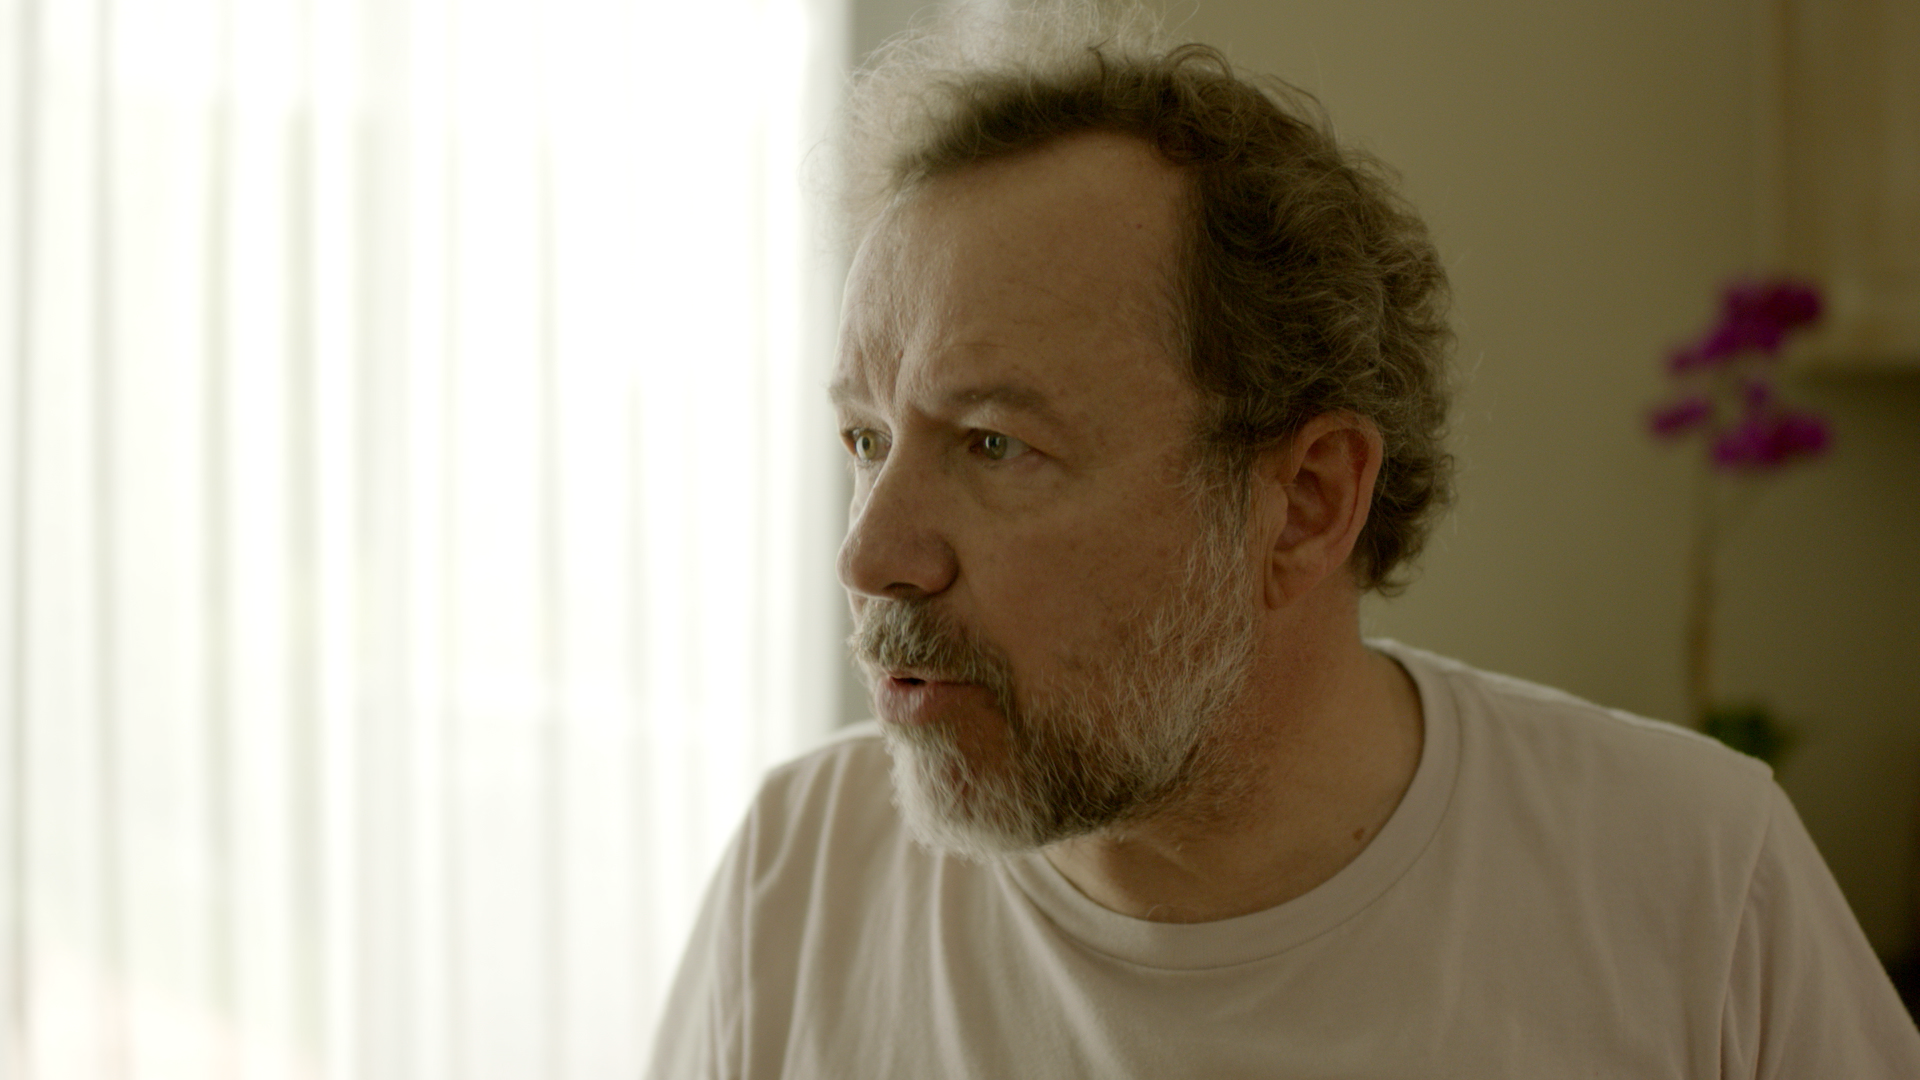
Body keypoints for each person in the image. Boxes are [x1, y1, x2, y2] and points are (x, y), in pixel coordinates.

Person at [647, 3, 1920, 1076]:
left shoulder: (1696, 883)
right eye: (866, 439)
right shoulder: (798, 878)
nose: (871, 557)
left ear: (1305, 502)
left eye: (993, 443)